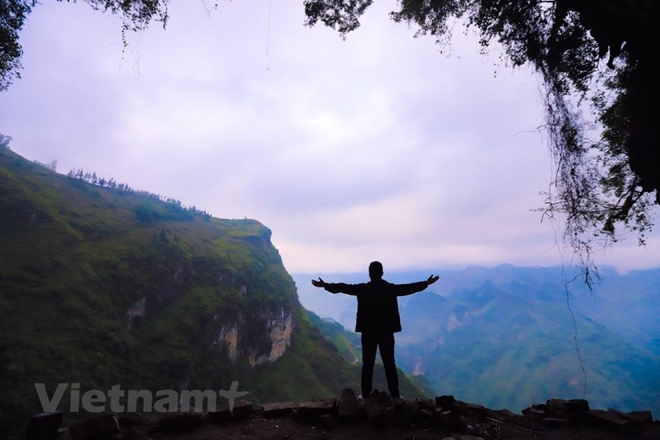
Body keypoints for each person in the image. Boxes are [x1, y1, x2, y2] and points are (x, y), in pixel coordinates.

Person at [311, 261, 439, 401]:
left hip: (368, 332)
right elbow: (408, 288)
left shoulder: (363, 289)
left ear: (369, 274)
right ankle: (395, 395)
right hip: (386, 332)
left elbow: (343, 287)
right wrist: (426, 283)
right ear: (382, 273)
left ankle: (365, 395)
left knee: (368, 364)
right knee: (389, 363)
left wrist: (325, 285)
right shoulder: (389, 289)